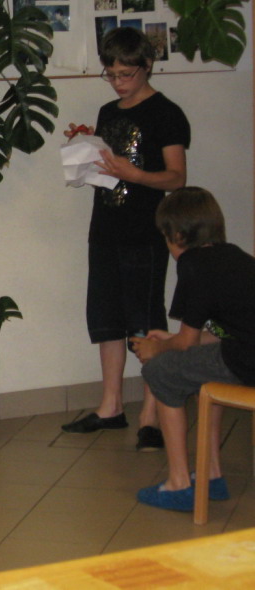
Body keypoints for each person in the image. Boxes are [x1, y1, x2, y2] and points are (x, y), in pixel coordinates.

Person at [61, 27, 190, 450]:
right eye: (111, 74)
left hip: (145, 232)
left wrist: (136, 175)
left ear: (147, 65)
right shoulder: (108, 111)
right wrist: (84, 150)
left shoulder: (166, 113)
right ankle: (111, 407)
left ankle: (151, 416)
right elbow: (108, 167)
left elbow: (176, 177)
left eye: (126, 74)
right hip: (105, 229)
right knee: (107, 320)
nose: (118, 82)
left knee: (146, 321)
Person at [133, 187, 255, 511]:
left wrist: (157, 349)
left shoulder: (193, 264)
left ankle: (179, 484)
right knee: (200, 369)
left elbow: (186, 342)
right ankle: (210, 476)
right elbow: (218, 335)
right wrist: (168, 340)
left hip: (246, 361)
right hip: (245, 353)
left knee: (160, 371)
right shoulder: (233, 255)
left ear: (177, 235)